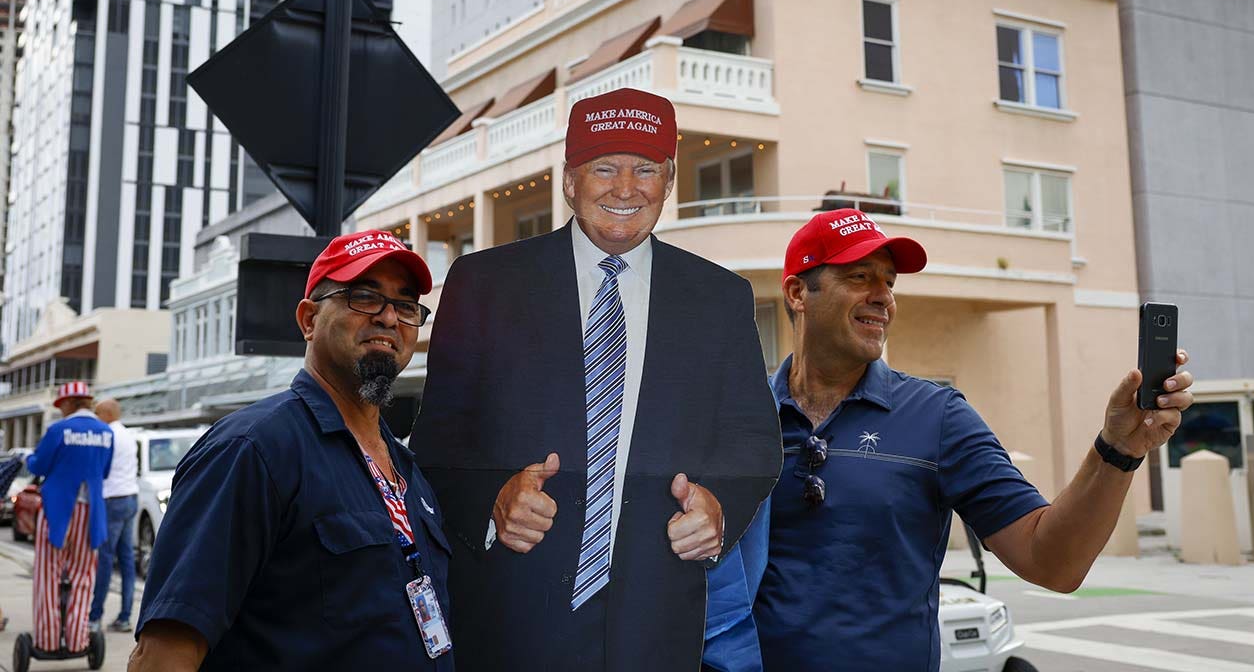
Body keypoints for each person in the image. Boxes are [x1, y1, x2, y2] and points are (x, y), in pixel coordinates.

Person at [412, 87, 782, 671]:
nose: (626, 189)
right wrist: (490, 501)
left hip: (656, 629)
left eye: (647, 171)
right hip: (511, 627)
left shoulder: (720, 298)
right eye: (604, 168)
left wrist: (718, 505)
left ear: (670, 180)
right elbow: (437, 443)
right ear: (569, 180)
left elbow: (754, 442)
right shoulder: (484, 285)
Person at [751, 209, 1195, 671]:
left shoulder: (938, 417)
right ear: (798, 292)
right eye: (860, 277)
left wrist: (1118, 450)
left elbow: (1053, 562)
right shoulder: (737, 413)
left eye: (890, 282)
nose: (883, 297)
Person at [128, 230, 454, 672]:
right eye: (364, 296)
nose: (389, 318)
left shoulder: (406, 469)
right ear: (308, 320)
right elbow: (164, 655)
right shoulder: (251, 450)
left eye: (405, 304)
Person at [25, 381, 114, 655]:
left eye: (61, 404)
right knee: (84, 576)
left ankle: (48, 640)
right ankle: (78, 640)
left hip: (58, 511)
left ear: (70, 402)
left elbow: (39, 465)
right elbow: (106, 471)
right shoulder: (105, 432)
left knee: (48, 576)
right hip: (91, 514)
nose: (60, 409)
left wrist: (27, 458)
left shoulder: (59, 430)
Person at [89, 398, 139, 634]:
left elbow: (97, 468)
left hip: (112, 499)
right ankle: (125, 616)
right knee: (127, 560)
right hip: (130, 497)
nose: (95, 417)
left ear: (107, 414)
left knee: (106, 559)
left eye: (97, 412)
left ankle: (95, 616)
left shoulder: (107, 435)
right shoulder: (128, 435)